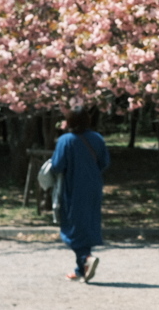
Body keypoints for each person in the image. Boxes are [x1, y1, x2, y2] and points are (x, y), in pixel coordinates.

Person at [50, 106, 111, 282]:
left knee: (71, 225)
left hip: (72, 188)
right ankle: (81, 269)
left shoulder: (66, 140)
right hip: (93, 186)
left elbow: (57, 165)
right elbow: (105, 162)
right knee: (87, 223)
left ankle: (86, 258)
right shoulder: (97, 138)